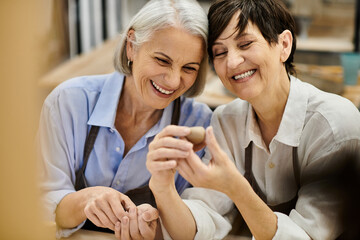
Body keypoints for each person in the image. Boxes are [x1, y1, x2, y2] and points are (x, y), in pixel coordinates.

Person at [146, 0, 360, 239]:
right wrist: (163, 187)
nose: (232, 62)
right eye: (220, 52)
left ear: (284, 45)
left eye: (245, 44)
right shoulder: (227, 121)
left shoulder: (334, 126)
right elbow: (200, 222)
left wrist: (236, 189)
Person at [37, 0, 211, 239]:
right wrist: (86, 199)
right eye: (162, 60)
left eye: (189, 68)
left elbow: (200, 223)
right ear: (131, 46)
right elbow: (39, 206)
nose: (172, 81)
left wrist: (156, 227)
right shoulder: (69, 103)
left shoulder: (199, 125)